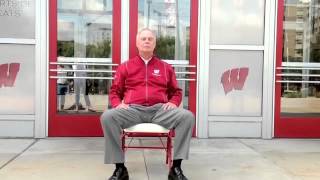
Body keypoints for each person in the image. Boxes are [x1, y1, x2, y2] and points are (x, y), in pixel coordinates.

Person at [100, 28, 194, 180]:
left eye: (150, 39)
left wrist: (173, 102)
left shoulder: (165, 67)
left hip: (159, 110)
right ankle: (120, 167)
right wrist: (117, 104)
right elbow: (114, 91)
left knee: (187, 117)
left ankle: (176, 167)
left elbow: (176, 91)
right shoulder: (125, 66)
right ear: (137, 43)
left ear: (154, 44)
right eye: (143, 39)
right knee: (107, 117)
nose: (147, 41)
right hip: (133, 110)